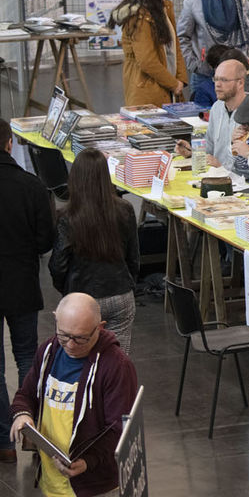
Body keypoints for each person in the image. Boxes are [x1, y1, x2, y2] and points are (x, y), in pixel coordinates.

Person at [9, 293, 139, 497]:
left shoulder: (116, 366)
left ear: (100, 327)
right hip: (57, 477)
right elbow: (26, 393)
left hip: (92, 484)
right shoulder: (50, 351)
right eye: (64, 335)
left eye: (80, 338)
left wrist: (88, 461)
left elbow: (119, 428)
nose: (70, 345)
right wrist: (22, 415)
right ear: (55, 319)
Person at [0, 119, 55, 464]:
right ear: (9, 145)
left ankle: (2, 441)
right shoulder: (31, 186)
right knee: (26, 358)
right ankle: (31, 435)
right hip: (21, 283)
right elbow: (46, 240)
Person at [48, 150, 141, 354]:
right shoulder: (124, 209)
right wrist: (128, 283)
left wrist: (67, 292)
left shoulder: (67, 216)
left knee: (80, 362)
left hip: (81, 298)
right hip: (120, 294)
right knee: (117, 362)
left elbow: (58, 264)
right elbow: (133, 258)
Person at [177, 0, 249, 107]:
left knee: (240, 118)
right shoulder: (193, 3)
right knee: (204, 120)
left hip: (238, 72)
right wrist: (195, 64)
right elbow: (183, 37)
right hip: (206, 73)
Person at [109, 0, 188, 106]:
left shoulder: (165, 8)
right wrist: (173, 83)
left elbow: (175, 46)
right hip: (147, 90)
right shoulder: (138, 17)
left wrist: (181, 79)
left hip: (170, 86)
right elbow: (147, 60)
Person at [174, 58, 249, 176]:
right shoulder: (217, 107)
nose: (218, 85)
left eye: (224, 80)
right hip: (215, 175)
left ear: (240, 83)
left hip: (241, 182)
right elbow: (209, 147)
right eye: (216, 79)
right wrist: (192, 152)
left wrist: (221, 167)